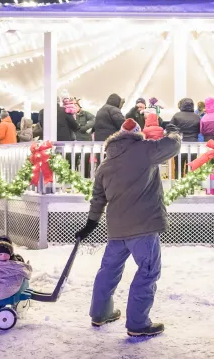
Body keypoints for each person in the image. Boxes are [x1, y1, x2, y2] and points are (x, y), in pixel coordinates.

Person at [74, 118, 181, 337]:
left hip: (116, 229)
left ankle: (100, 313)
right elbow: (173, 146)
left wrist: (91, 223)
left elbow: (97, 197)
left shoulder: (106, 163)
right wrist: (173, 131)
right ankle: (138, 324)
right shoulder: (145, 150)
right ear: (137, 135)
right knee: (148, 271)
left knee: (109, 270)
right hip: (143, 227)